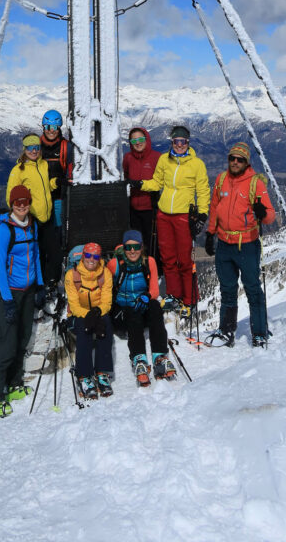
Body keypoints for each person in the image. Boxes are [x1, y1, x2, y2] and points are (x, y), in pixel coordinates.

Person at [205, 142, 276, 348]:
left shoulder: (255, 183)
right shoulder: (221, 180)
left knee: (253, 289)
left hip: (247, 244)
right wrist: (210, 233)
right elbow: (215, 207)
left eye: (240, 159)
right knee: (227, 289)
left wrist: (263, 213)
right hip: (224, 244)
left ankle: (260, 332)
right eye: (232, 158)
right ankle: (226, 330)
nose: (235, 162)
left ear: (246, 162)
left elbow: (270, 215)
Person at [0, 184, 45, 418]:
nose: (22, 206)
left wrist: (39, 285)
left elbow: (36, 256)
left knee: (23, 338)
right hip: (9, 293)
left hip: (28, 291)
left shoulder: (32, 225)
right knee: (7, 344)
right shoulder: (4, 231)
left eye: (25, 202)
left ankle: (14, 383)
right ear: (11, 204)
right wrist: (8, 300)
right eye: (17, 202)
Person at [135, 125, 210, 316]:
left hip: (184, 215)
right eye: (176, 141)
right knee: (168, 258)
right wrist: (140, 184)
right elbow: (157, 183)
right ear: (172, 142)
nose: (179, 145)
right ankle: (173, 295)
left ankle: (189, 300)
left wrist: (202, 215)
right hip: (164, 214)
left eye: (183, 142)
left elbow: (202, 191)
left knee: (184, 260)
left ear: (188, 142)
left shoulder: (197, 164)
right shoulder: (164, 160)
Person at [107, 229, 175, 386]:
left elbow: (154, 290)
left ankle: (160, 356)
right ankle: (139, 359)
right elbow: (105, 289)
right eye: (128, 247)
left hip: (141, 307)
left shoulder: (149, 262)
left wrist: (146, 296)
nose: (132, 251)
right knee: (132, 311)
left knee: (155, 306)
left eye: (136, 247)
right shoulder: (114, 264)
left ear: (141, 247)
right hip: (122, 314)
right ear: (124, 248)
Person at [6, 132, 62, 293]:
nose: (34, 151)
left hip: (47, 217)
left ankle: (51, 283)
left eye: (36, 147)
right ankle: (39, 287)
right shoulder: (18, 170)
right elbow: (10, 197)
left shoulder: (43, 165)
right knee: (38, 255)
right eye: (30, 147)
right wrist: (23, 216)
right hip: (32, 219)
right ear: (24, 149)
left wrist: (56, 182)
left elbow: (45, 187)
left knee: (55, 254)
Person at [64, 241, 114, 399]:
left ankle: (102, 372)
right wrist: (89, 316)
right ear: (83, 256)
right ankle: (84, 375)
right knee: (83, 328)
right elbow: (74, 304)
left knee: (106, 326)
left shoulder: (105, 273)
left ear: (100, 258)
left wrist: (97, 313)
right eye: (88, 255)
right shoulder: (72, 275)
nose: (91, 259)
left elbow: (107, 301)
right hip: (78, 315)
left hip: (99, 312)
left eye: (95, 256)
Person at [122, 127, 161, 259]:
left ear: (147, 139)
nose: (138, 143)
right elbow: (126, 175)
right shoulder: (128, 158)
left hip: (151, 209)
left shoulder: (157, 157)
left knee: (152, 244)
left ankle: (154, 268)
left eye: (141, 139)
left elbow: (161, 181)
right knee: (136, 244)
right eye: (134, 140)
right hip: (133, 209)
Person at [39, 110, 70, 237]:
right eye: (48, 127)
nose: (51, 130)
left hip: (59, 197)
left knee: (58, 231)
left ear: (59, 128)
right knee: (41, 230)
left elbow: (71, 171)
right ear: (43, 127)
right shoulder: (36, 147)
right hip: (40, 198)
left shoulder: (66, 147)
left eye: (55, 127)